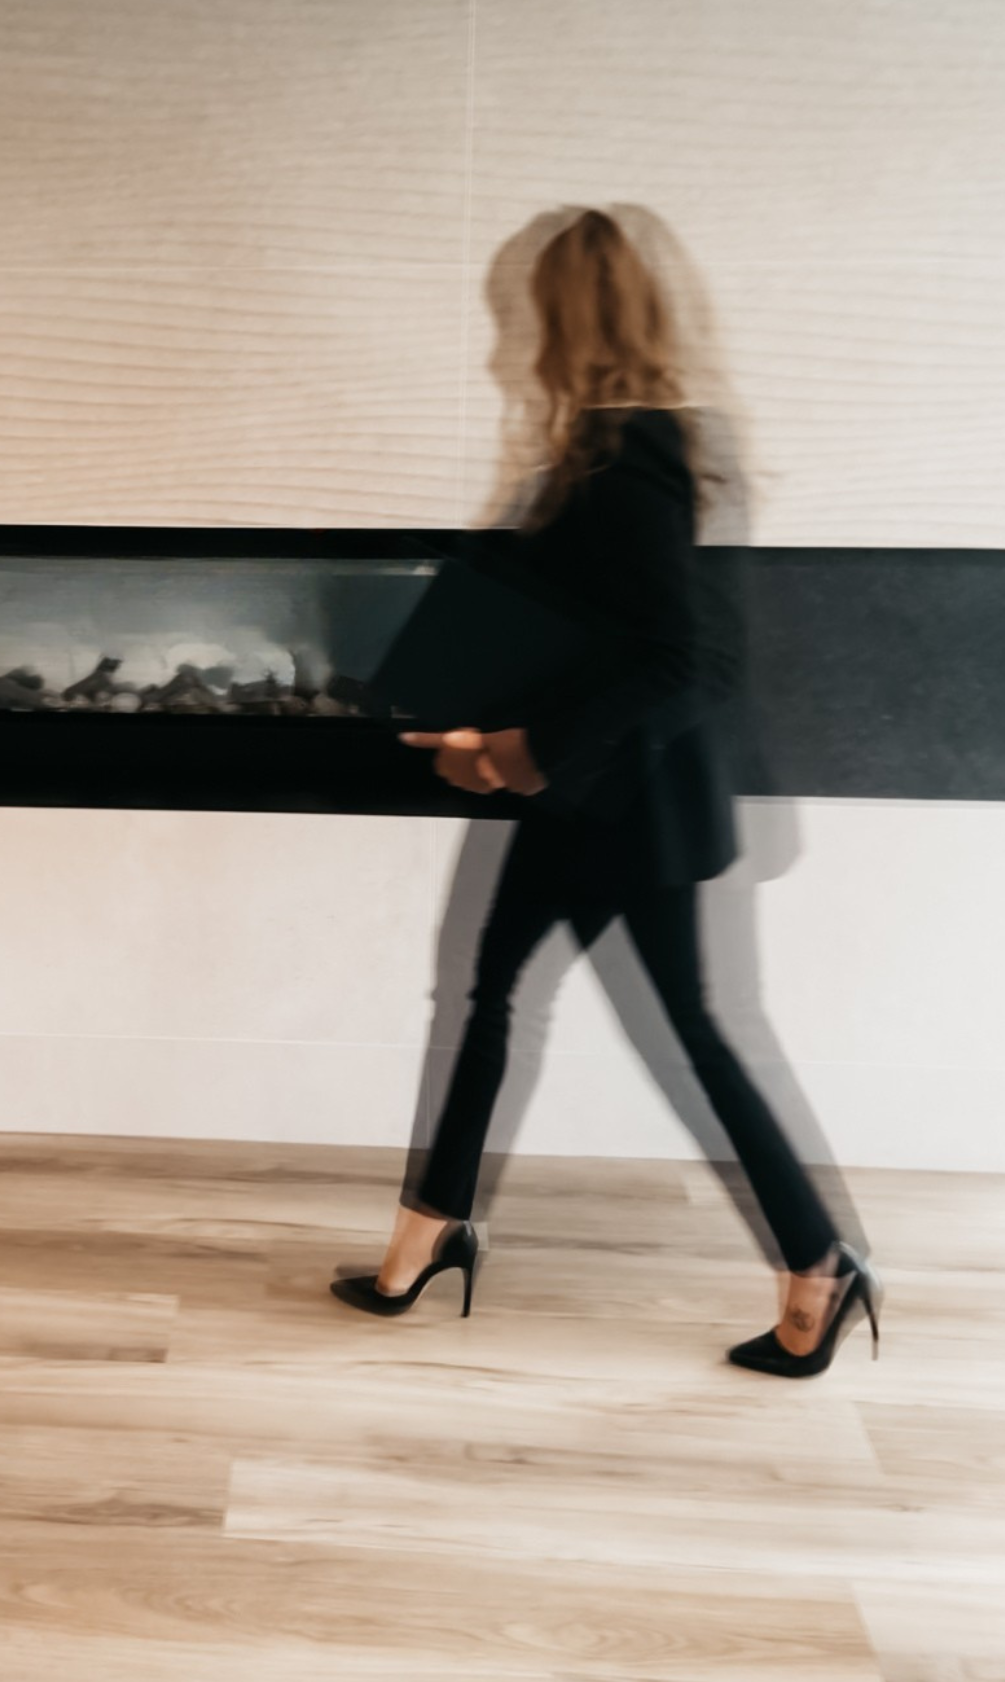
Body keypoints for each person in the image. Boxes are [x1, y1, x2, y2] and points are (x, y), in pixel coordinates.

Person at [331, 209, 880, 1378]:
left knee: (675, 1029)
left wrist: (520, 745)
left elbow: (687, 661)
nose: (507, 340)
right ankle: (424, 1236)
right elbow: (603, 637)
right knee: (491, 995)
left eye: (522, 316)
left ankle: (817, 1265)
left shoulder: (631, 460)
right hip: (590, 796)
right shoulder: (609, 454)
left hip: (627, 809)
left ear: (566, 323)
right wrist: (487, 729)